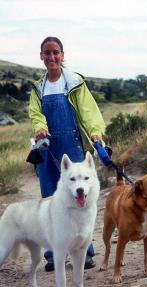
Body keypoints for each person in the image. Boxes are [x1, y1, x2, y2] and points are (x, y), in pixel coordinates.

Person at [29, 36, 105, 272]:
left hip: (72, 147)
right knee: (51, 201)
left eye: (56, 52)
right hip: (47, 148)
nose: (52, 57)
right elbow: (35, 114)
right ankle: (53, 254)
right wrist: (40, 128)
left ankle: (85, 251)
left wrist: (95, 134)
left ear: (62, 55)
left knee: (79, 203)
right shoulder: (37, 89)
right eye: (47, 53)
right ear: (41, 56)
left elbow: (89, 112)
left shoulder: (74, 83)